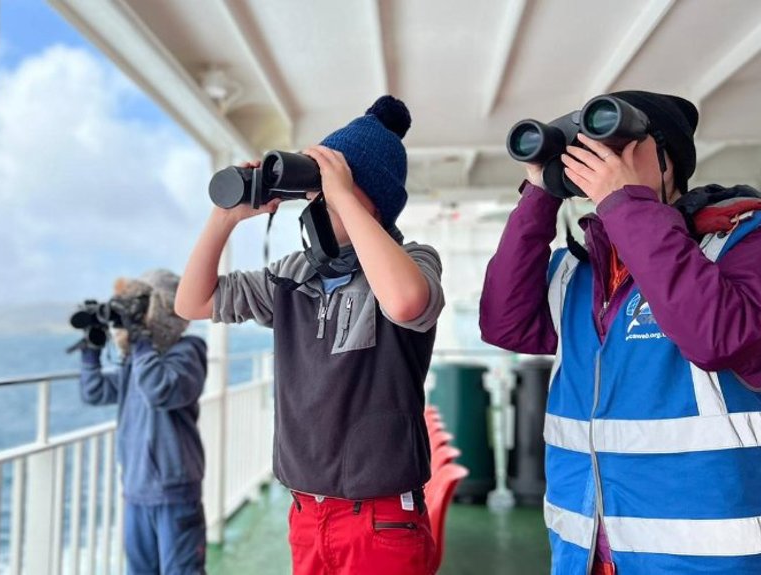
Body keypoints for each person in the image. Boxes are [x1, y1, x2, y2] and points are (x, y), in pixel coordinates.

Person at [479, 91, 761, 574]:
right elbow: (505, 324)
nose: (598, 160)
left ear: (667, 161)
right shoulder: (580, 269)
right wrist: (540, 195)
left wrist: (623, 202)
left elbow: (719, 337)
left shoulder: (740, 242)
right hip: (585, 549)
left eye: (615, 146)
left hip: (704, 559)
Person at [176, 95, 445, 575]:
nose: (317, 204)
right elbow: (192, 303)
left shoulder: (416, 261)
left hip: (381, 517)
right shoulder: (294, 274)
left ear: (374, 202)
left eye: (329, 193)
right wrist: (224, 220)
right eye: (316, 193)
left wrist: (343, 192)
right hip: (305, 511)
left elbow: (405, 302)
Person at [78, 269, 207, 575]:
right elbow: (94, 391)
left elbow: (159, 389)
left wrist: (141, 340)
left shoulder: (188, 352)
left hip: (175, 492)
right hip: (136, 490)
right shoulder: (136, 360)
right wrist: (90, 349)